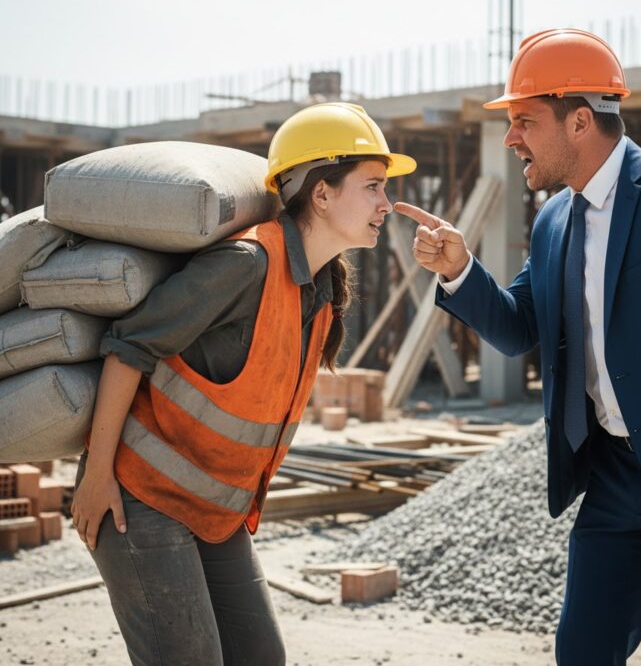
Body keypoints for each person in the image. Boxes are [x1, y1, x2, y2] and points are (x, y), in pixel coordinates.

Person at [395, 28, 641, 665]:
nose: (511, 138)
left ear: (577, 121)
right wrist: (460, 269)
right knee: (582, 655)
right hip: (614, 483)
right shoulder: (552, 221)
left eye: (522, 121)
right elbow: (517, 327)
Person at [71, 102, 416, 666]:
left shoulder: (322, 290)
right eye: (374, 186)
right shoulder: (245, 264)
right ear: (322, 194)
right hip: (138, 495)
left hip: (214, 508)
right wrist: (97, 478)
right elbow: (128, 348)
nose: (387, 203)